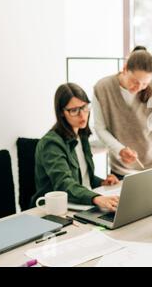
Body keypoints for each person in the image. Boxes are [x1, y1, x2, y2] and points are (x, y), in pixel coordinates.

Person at [32, 83, 120, 211]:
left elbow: (82, 179)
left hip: (79, 205)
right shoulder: (51, 144)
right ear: (61, 113)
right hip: (54, 210)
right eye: (74, 110)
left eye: (84, 107)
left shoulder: (81, 136)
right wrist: (96, 197)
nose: (82, 115)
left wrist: (101, 183)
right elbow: (64, 184)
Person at [93, 46, 152, 179]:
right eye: (135, 81)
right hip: (121, 170)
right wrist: (120, 150)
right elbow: (100, 128)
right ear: (125, 69)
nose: (138, 88)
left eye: (144, 84)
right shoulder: (102, 88)